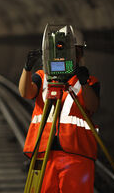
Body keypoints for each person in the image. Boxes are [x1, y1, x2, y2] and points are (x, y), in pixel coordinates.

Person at [19, 27, 100, 193]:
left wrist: (84, 82)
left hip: (76, 154)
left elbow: (92, 106)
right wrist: (27, 69)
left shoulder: (87, 81)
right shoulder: (42, 77)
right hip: (44, 152)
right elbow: (26, 92)